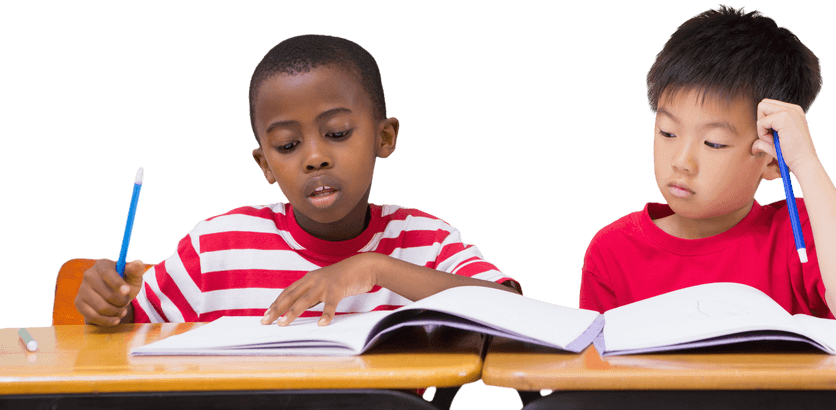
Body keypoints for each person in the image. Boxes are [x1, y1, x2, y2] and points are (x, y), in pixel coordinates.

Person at [75, 34, 521, 328]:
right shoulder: (216, 248)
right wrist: (109, 306)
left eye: (337, 133)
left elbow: (515, 314)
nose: (314, 158)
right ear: (265, 166)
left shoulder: (424, 243)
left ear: (384, 138)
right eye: (287, 145)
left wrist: (373, 268)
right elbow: (131, 329)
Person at [579, 5, 836, 322]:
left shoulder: (797, 232)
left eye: (714, 143)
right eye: (667, 132)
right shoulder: (613, 251)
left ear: (772, 162)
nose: (681, 161)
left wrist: (805, 162)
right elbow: (592, 354)